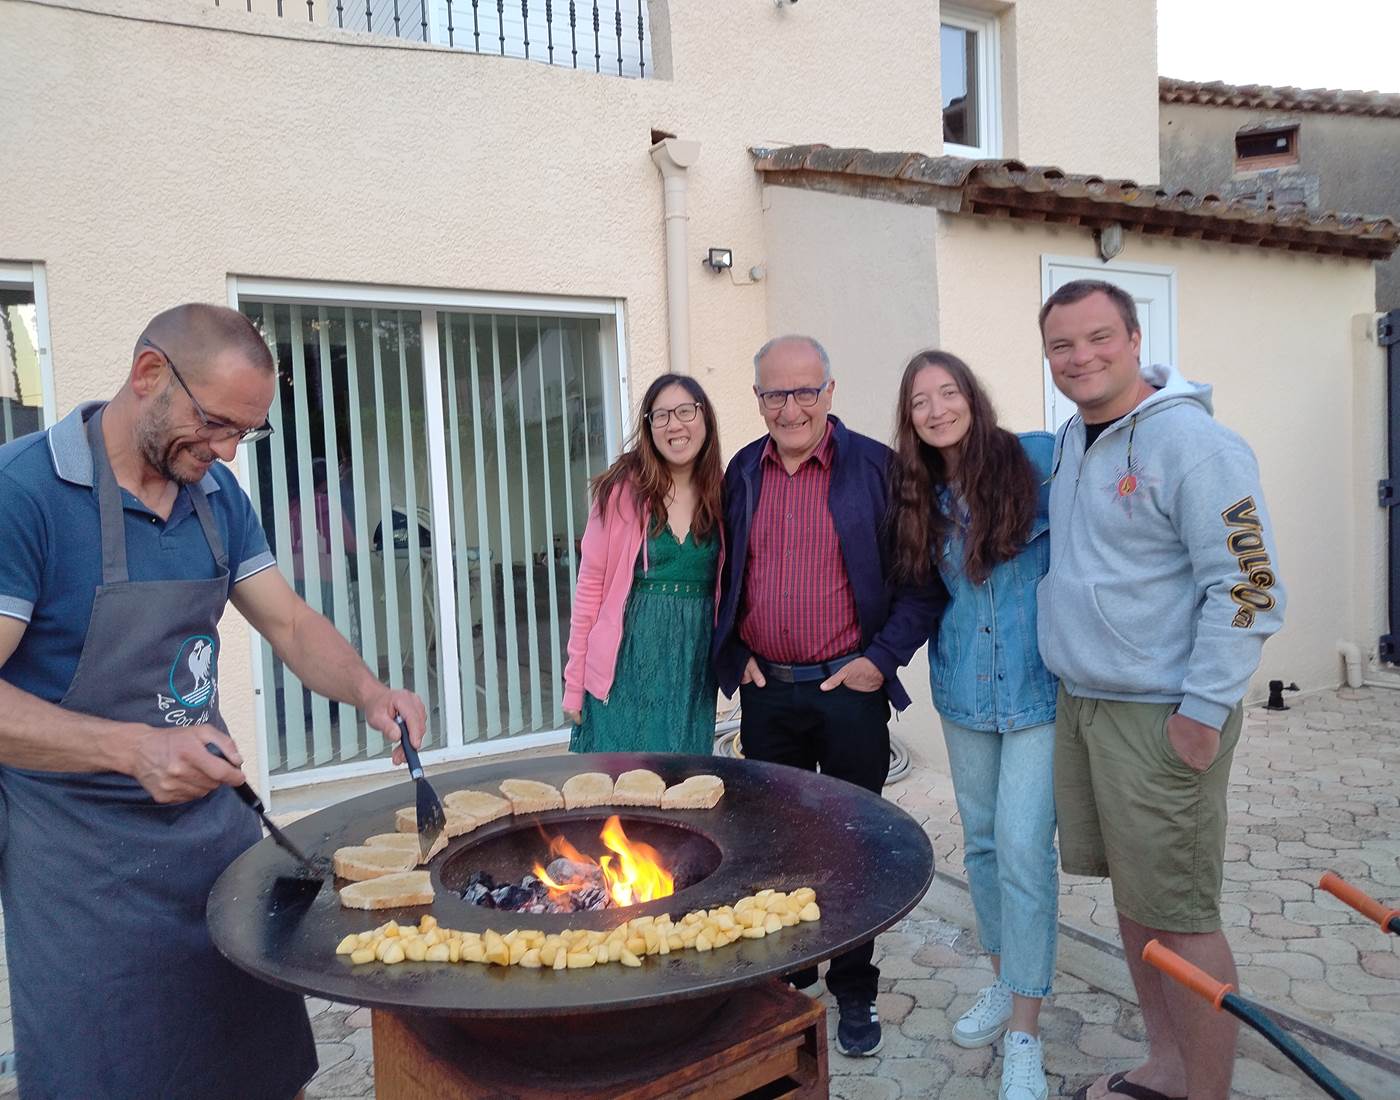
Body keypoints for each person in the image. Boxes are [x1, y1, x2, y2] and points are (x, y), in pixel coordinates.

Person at [0, 303, 429, 1099]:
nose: (228, 450)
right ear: (149, 375)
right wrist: (131, 749)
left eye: (245, 434)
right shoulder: (22, 494)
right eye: (217, 424)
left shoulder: (214, 497)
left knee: (254, 1068)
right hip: (82, 876)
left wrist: (371, 693)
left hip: (215, 844)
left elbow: (291, 622)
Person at [1036, 281, 1285, 1100]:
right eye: (1062, 345)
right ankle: (1167, 1068)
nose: (1081, 357)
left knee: (1180, 912)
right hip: (1089, 706)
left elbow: (1249, 585)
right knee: (1139, 903)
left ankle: (1205, 1091)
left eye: (1099, 337)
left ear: (1136, 338)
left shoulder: (1197, 444)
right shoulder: (1077, 437)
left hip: (1163, 717)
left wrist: (1202, 713)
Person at [713, 335, 946, 1058]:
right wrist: (734, 654)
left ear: (830, 392)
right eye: (774, 394)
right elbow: (722, 577)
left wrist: (881, 660)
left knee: (851, 846)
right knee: (774, 846)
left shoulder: (877, 468)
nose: (790, 408)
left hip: (849, 691)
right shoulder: (743, 471)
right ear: (758, 401)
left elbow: (921, 582)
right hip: (768, 693)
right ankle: (791, 973)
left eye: (804, 391)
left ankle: (854, 984)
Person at [886, 350, 1057, 1100]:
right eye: (920, 401)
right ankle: (1003, 979)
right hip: (962, 692)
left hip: (1036, 693)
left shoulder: (1036, 461)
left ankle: (1026, 1030)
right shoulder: (918, 494)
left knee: (1024, 849)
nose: (935, 409)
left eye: (947, 392)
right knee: (983, 846)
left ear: (971, 397)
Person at [564, 373, 723, 754]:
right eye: (661, 415)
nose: (675, 424)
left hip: (692, 668)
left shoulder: (724, 492)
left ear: (705, 419)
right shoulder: (620, 492)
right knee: (617, 786)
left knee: (680, 784)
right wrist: (574, 684)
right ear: (649, 427)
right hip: (627, 663)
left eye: (686, 411)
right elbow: (589, 591)